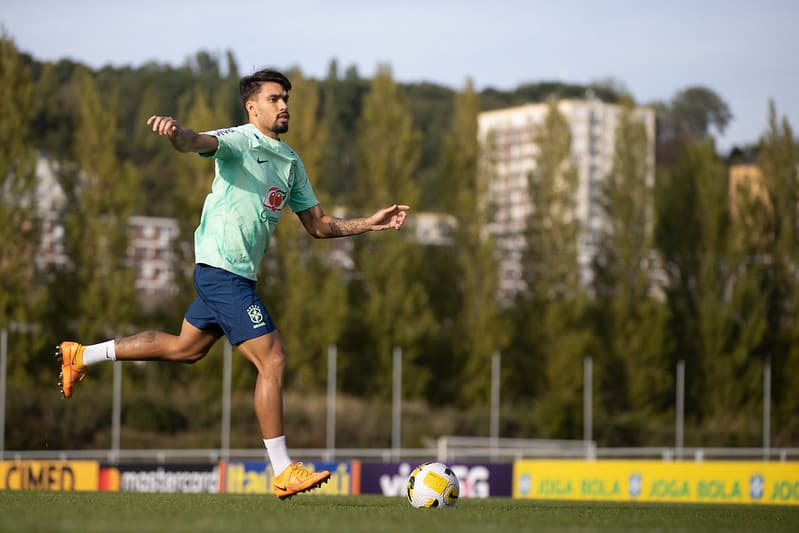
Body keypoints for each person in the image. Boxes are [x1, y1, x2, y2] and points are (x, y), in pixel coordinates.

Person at [56, 69, 409, 499]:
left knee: (185, 349)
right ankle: (283, 470)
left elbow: (318, 225)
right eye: (275, 99)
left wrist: (367, 225)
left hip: (234, 274)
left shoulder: (291, 162)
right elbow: (198, 142)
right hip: (221, 271)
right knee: (273, 360)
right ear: (252, 106)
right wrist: (176, 134)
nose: (284, 106)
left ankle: (83, 354)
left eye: (286, 99)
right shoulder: (242, 140)